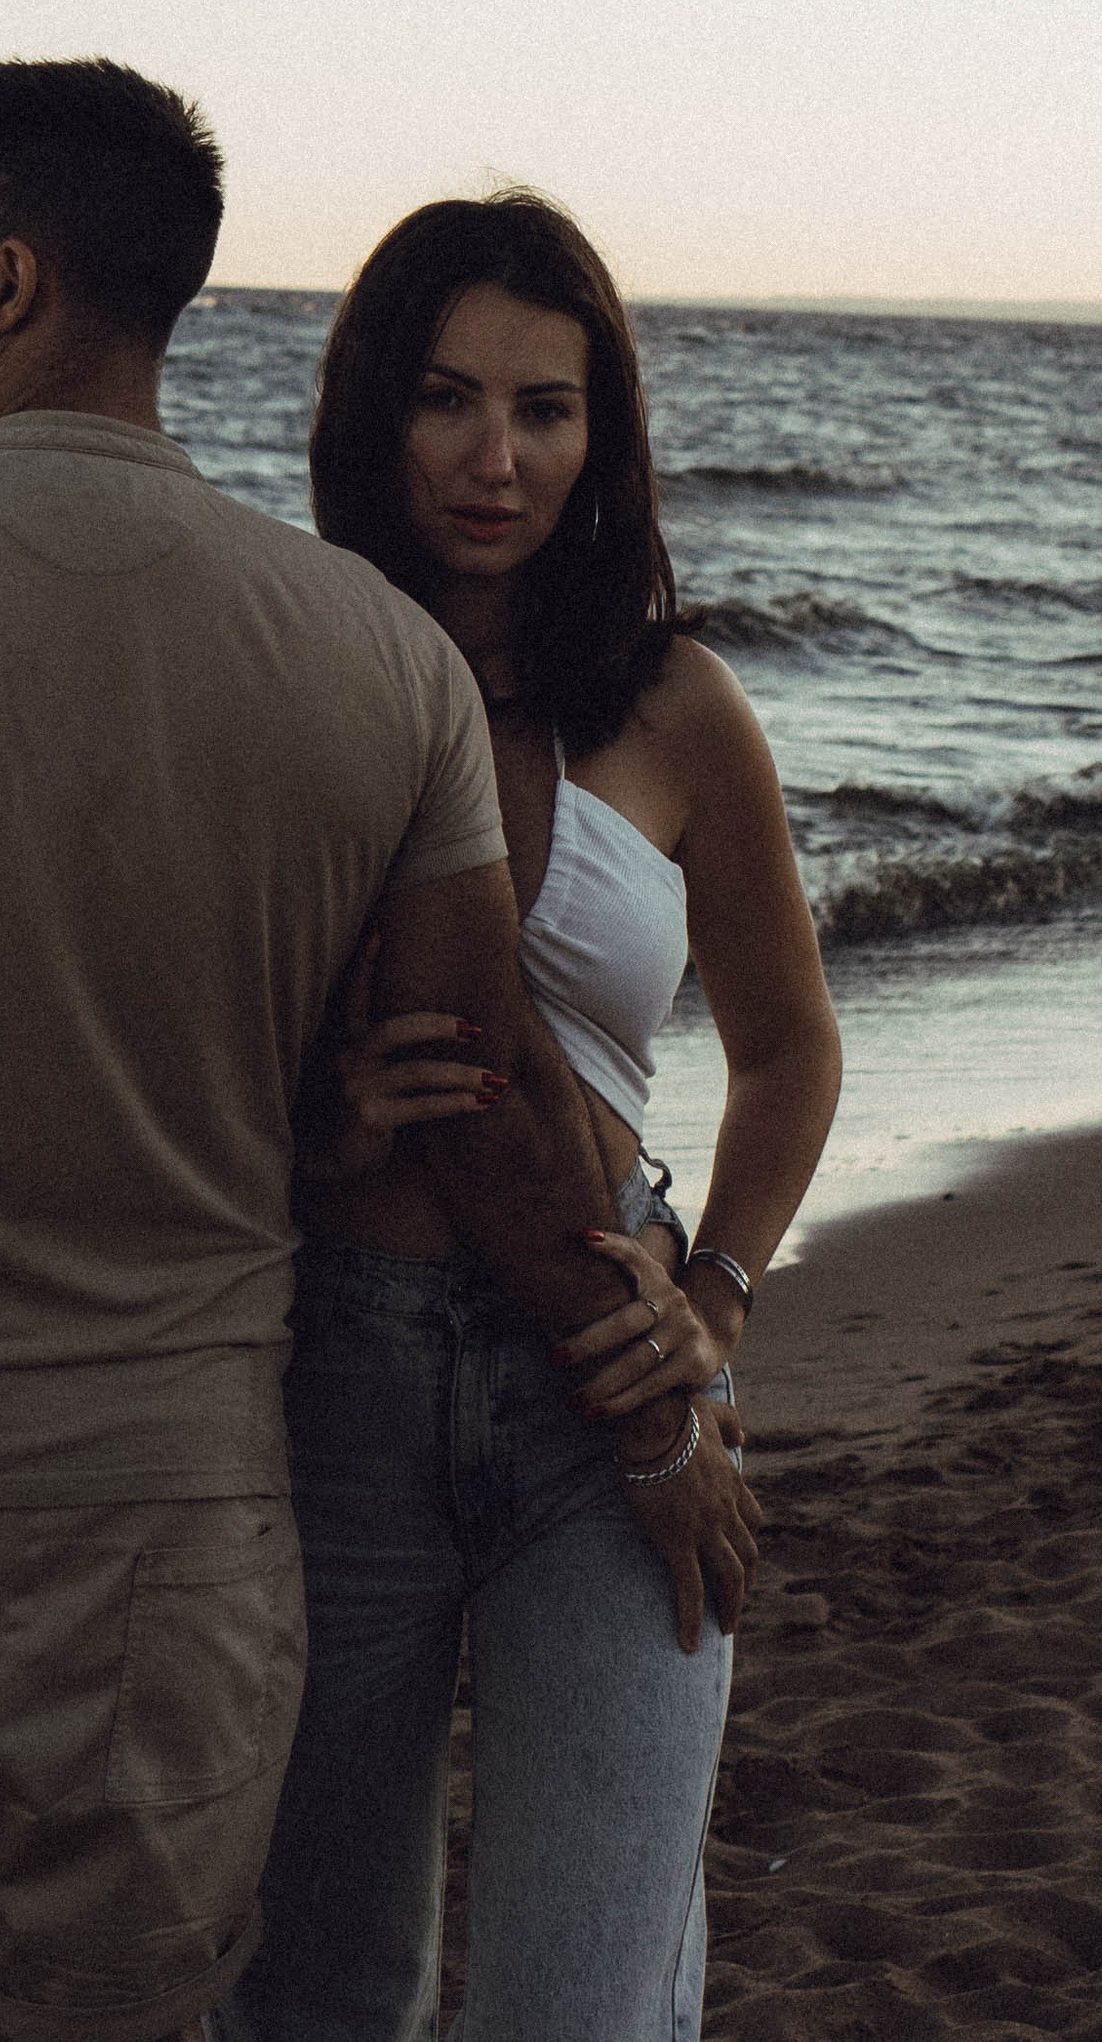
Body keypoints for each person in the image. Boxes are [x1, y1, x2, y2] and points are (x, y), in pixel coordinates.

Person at [0, 59, 741, 2042]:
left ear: (10, 281)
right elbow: (484, 1085)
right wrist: (651, 1404)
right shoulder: (371, 661)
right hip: (170, 1538)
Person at [222, 193, 844, 2042]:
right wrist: (314, 1125)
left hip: (610, 1386)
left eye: (546, 409)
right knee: (315, 1994)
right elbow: (166, 1044)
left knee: (584, 2002)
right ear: (373, 412)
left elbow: (791, 1050)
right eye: (447, 398)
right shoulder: (284, 682)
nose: (496, 458)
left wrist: (717, 1300)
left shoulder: (675, 706)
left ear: (602, 436)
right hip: (330, 1381)